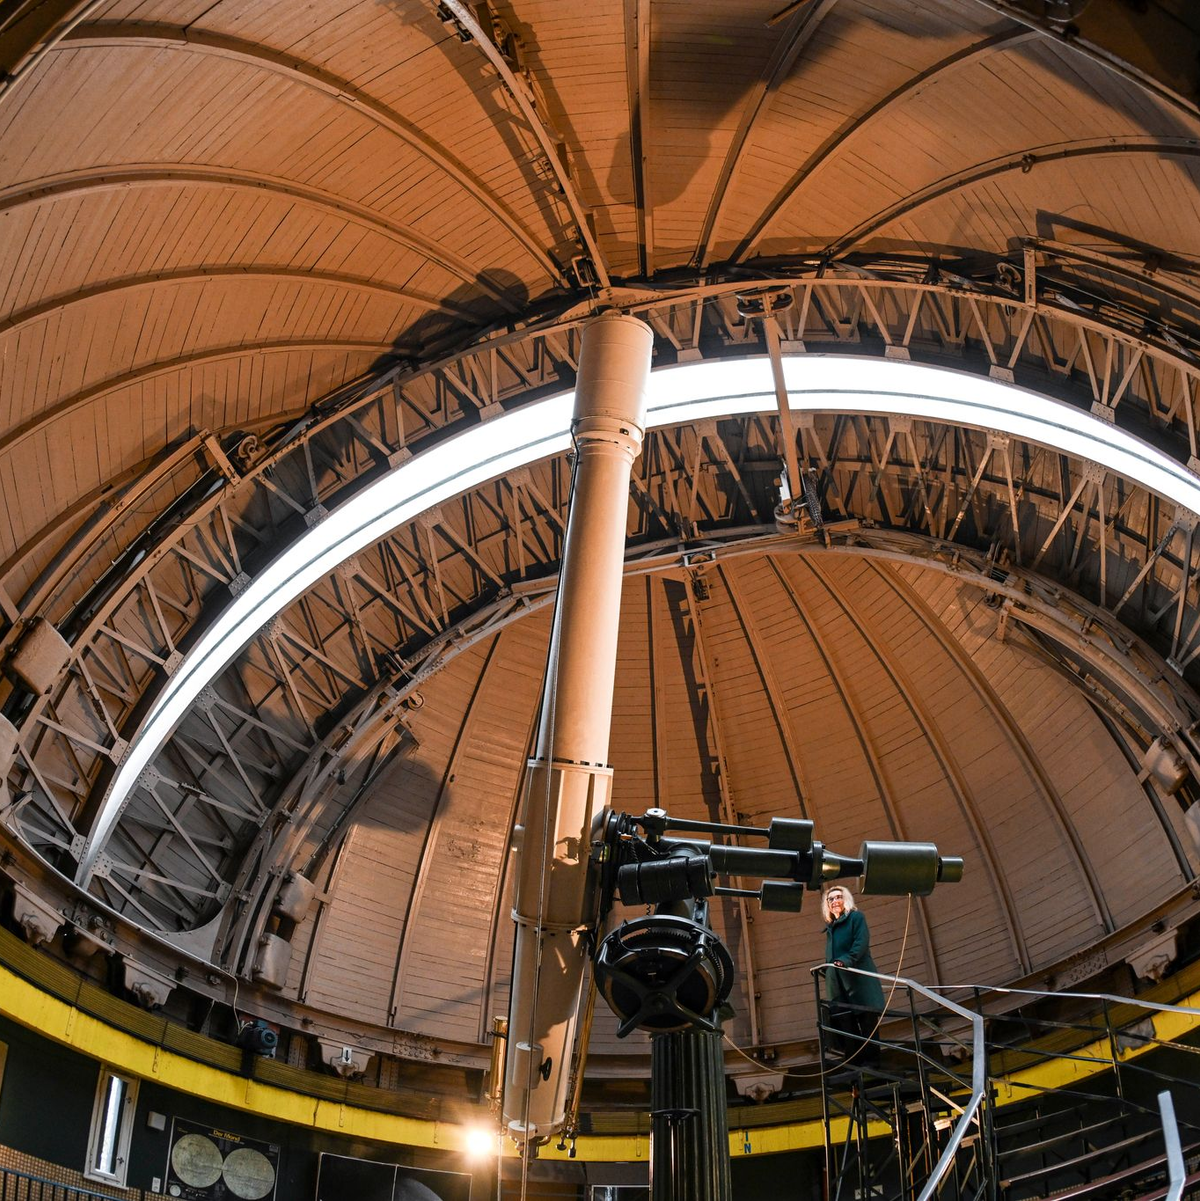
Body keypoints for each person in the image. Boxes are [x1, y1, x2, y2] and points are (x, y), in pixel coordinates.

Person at [822, 885, 886, 1063]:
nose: (835, 901)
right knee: (846, 1026)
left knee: (868, 1024)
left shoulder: (856, 918)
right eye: (831, 899)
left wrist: (845, 961)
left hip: (859, 981)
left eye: (838, 897)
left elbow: (860, 944)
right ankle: (854, 1068)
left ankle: (872, 1065)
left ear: (846, 899)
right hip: (840, 987)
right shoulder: (831, 928)